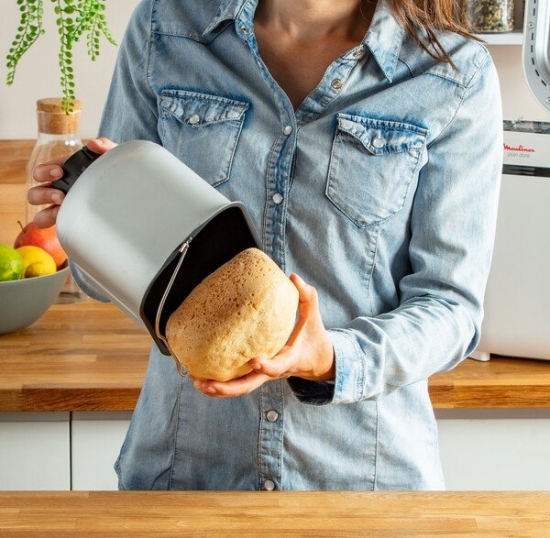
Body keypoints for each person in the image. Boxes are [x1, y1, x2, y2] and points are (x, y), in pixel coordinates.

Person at [29, 0, 503, 491]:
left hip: (361, 489)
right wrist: (96, 216)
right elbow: (99, 283)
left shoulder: (454, 71)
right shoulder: (165, 26)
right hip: (187, 479)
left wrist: (332, 357)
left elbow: (451, 307)